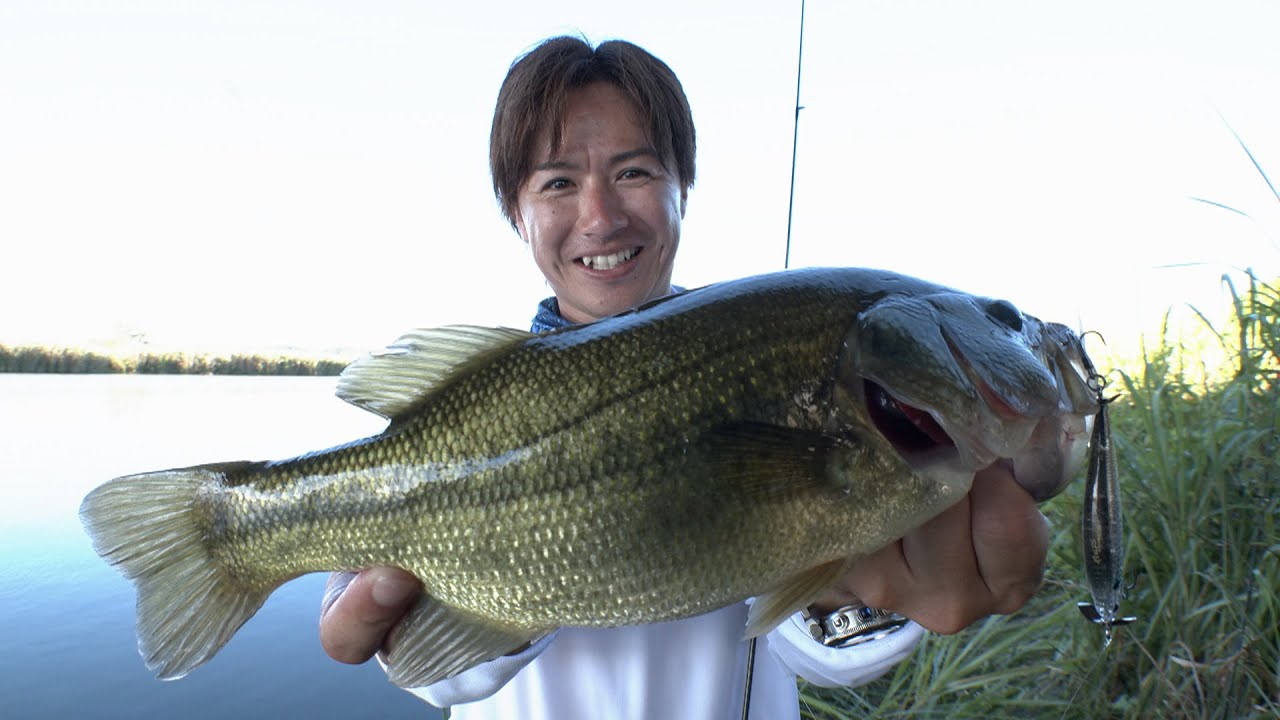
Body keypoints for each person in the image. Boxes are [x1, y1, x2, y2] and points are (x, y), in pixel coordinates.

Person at [319, 36, 1049, 718]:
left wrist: (858, 595)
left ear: (683, 188)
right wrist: (425, 615)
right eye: (557, 183)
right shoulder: (465, 412)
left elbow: (820, 653)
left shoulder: (775, 361)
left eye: (634, 172)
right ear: (516, 212)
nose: (600, 217)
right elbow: (441, 674)